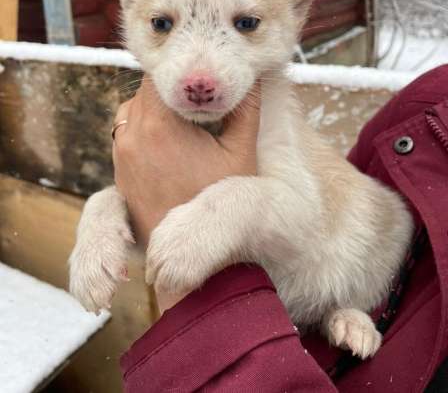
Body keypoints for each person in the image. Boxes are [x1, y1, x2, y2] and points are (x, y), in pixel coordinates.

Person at [112, 66, 448, 392]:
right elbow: (344, 192)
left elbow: (303, 210)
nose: (200, 76)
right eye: (162, 24)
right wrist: (110, 213)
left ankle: (338, 311)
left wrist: (198, 304)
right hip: (285, 300)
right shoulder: (432, 95)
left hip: (262, 330)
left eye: (245, 23)